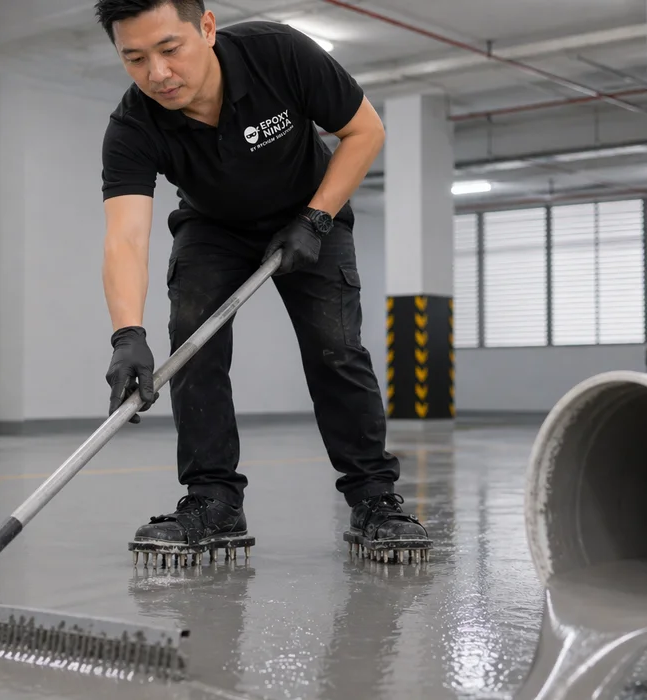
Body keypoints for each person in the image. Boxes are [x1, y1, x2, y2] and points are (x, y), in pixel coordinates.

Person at [93, 0, 430, 564]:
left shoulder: (278, 53)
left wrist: (316, 218)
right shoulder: (133, 125)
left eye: (169, 49)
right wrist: (126, 333)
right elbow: (124, 238)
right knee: (192, 337)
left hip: (310, 211)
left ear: (206, 27)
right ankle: (213, 499)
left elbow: (364, 130)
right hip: (213, 226)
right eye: (135, 58)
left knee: (335, 347)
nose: (157, 74)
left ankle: (375, 497)